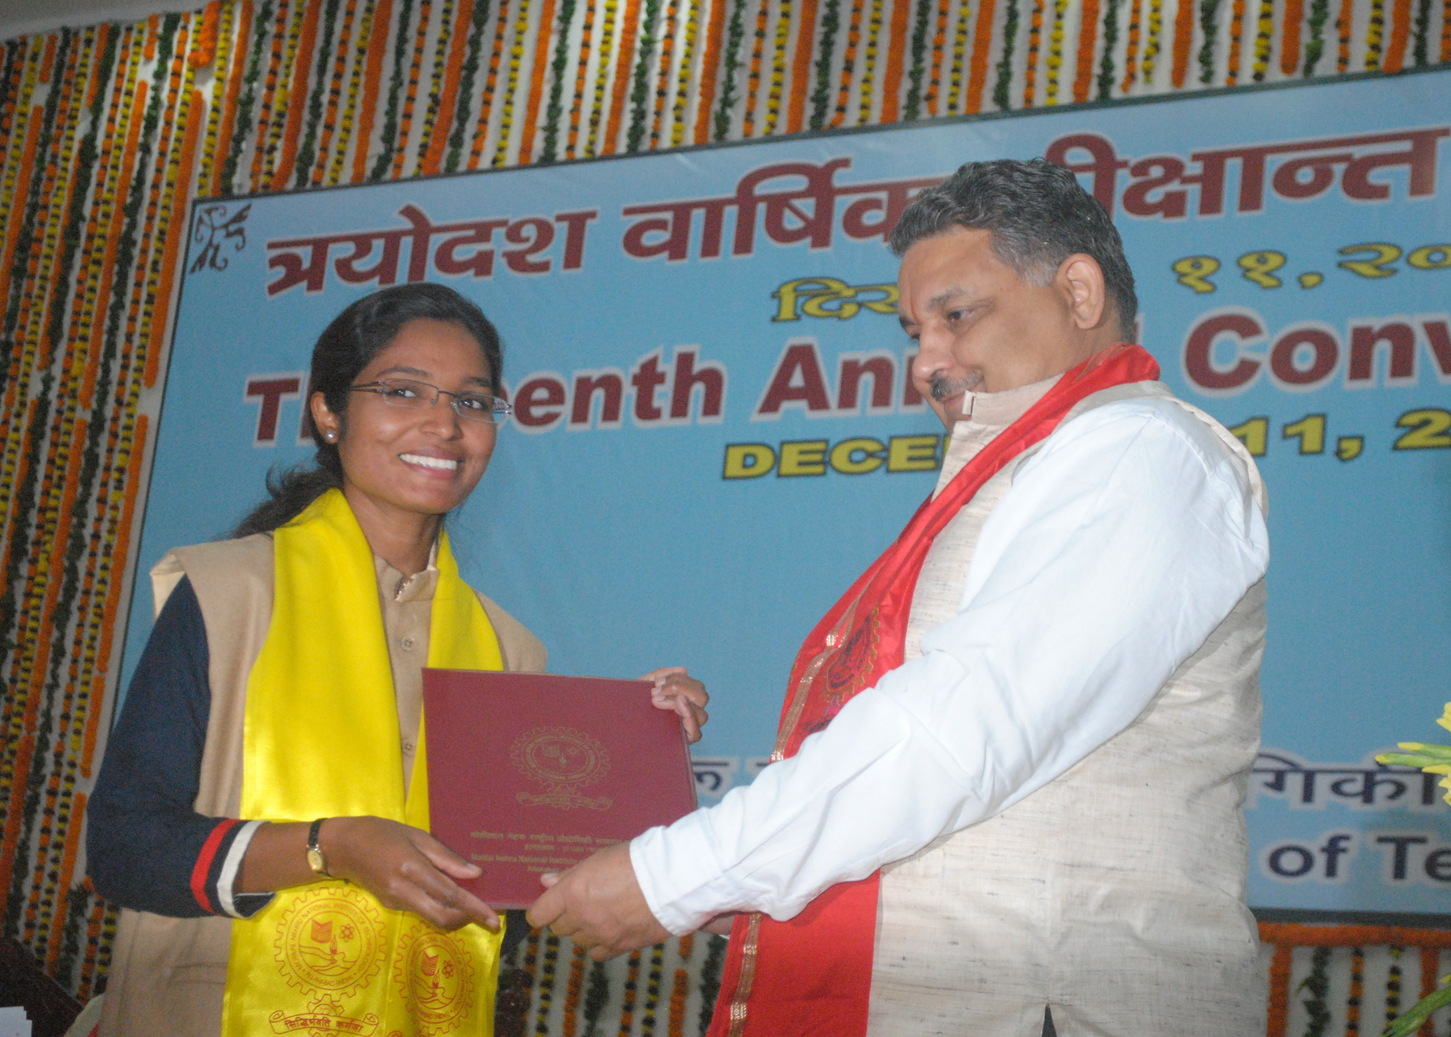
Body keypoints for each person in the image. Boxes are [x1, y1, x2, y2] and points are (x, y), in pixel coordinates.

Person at [528, 159, 1270, 1036]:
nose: (926, 363)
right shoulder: (1019, 470)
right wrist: (716, 857)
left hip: (1058, 1005)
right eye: (914, 331)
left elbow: (962, 726)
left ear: (1077, 292)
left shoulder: (1142, 451)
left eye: (957, 316)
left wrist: (674, 874)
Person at [87, 283, 707, 1037]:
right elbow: (125, 848)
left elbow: (508, 900)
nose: (444, 424)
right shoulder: (229, 593)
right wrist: (329, 848)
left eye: (472, 402)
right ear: (328, 413)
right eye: (402, 391)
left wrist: (627, 749)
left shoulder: (508, 649)